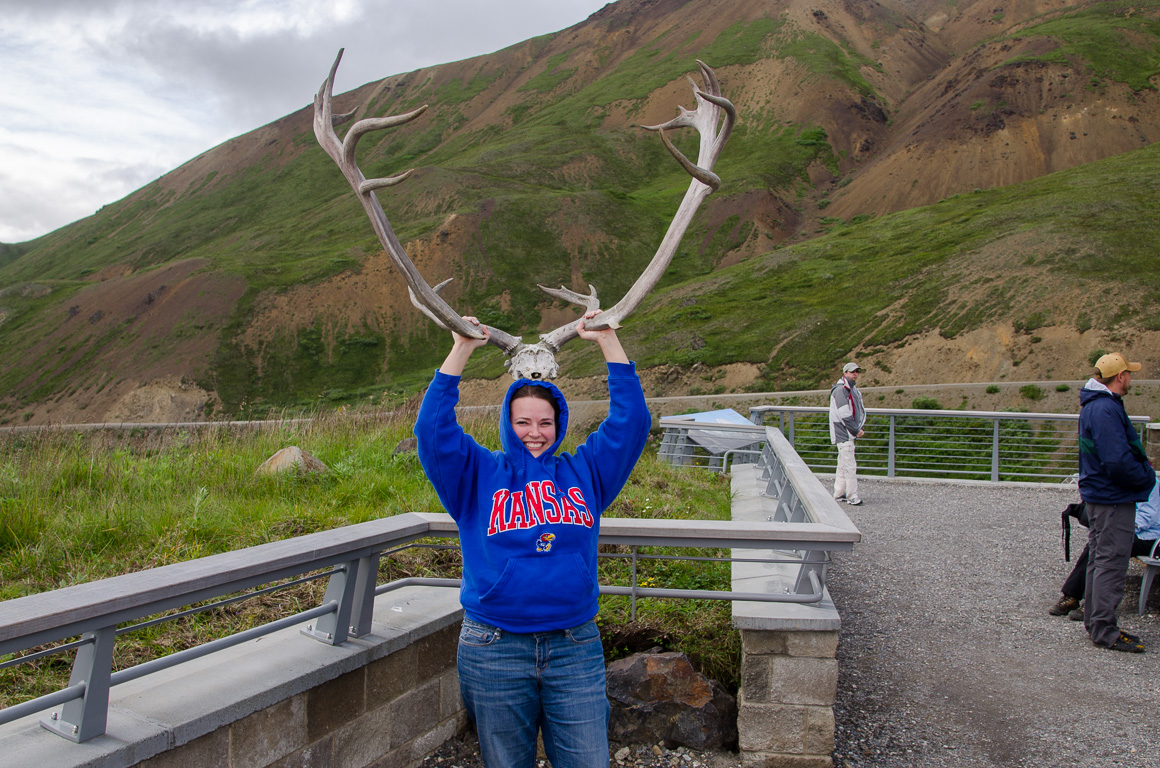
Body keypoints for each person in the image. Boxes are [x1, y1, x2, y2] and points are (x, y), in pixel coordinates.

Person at [414, 310, 651, 767]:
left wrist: (607, 343)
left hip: (573, 645)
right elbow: (432, 432)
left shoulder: (585, 473)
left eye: (545, 423)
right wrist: (461, 349)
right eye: (523, 423)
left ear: (559, 423)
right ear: (507, 422)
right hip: (494, 648)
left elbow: (631, 424)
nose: (535, 434)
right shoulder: (476, 475)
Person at [1077, 352, 1155, 653]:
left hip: (1099, 495)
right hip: (1112, 498)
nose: (1131, 378)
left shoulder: (1094, 406)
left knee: (1100, 558)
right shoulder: (1106, 410)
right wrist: (1146, 477)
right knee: (1111, 562)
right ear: (1120, 376)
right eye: (1129, 374)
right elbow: (1117, 461)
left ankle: (1095, 622)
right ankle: (1105, 630)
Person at [1049, 479, 1160, 620]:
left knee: (1110, 546)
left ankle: (1095, 604)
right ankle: (1073, 596)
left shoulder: (1148, 481)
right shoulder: (1116, 478)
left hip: (1148, 537)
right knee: (1096, 543)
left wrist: (1118, 527)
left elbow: (1148, 516)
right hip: (1125, 530)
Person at [829, 361, 866, 505]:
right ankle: (852, 496)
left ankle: (839, 493)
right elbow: (844, 414)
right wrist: (856, 430)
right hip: (844, 433)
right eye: (852, 372)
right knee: (850, 465)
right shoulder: (841, 390)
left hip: (845, 433)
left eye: (856, 371)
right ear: (845, 373)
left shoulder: (850, 389)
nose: (855, 374)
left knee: (843, 464)